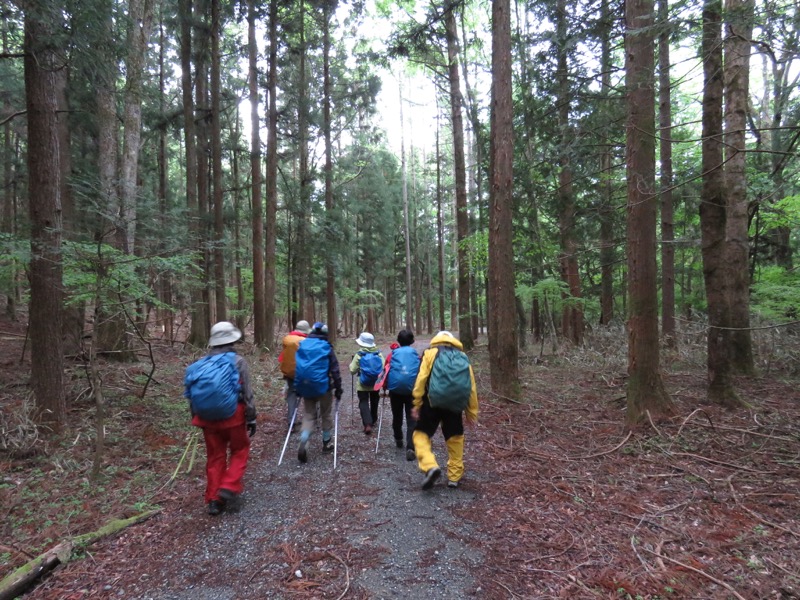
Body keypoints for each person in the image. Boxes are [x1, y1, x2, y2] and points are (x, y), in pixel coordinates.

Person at [187, 321, 257, 515]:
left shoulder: (199, 364)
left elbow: (191, 395)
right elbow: (246, 392)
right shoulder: (238, 361)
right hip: (234, 416)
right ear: (232, 340)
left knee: (215, 457)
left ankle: (214, 500)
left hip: (206, 419)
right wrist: (251, 417)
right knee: (240, 449)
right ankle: (228, 485)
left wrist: (197, 417)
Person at [411, 331, 478, 490]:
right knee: (455, 438)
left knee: (421, 435)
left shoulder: (430, 353)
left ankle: (430, 466)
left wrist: (416, 403)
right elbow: (471, 387)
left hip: (432, 403)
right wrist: (471, 412)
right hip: (455, 404)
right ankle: (454, 477)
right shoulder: (463, 358)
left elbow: (421, 379)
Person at [296, 322, 343, 463]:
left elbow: (298, 366)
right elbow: (334, 370)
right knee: (326, 414)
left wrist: (297, 387)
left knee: (309, 415)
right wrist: (338, 388)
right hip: (323, 387)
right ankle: (327, 442)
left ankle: (304, 439)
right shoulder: (326, 347)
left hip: (305, 386)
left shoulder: (303, 345)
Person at [379, 331, 420, 461]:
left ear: (398, 341)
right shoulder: (416, 355)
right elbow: (420, 372)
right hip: (411, 391)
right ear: (412, 341)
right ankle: (410, 447)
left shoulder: (392, 355)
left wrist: (384, 386)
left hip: (395, 390)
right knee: (411, 419)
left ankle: (398, 438)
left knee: (397, 415)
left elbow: (386, 371)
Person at [278, 320, 311, 430]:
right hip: (304, 373)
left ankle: (291, 421)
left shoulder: (287, 339)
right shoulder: (306, 341)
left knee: (292, 395)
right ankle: (310, 419)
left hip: (290, 373)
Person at [349, 332, 384, 435]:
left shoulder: (359, 355)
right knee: (374, 400)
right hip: (375, 383)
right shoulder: (378, 353)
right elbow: (383, 367)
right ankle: (373, 419)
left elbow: (352, 370)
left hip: (362, 384)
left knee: (363, 402)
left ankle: (367, 423)